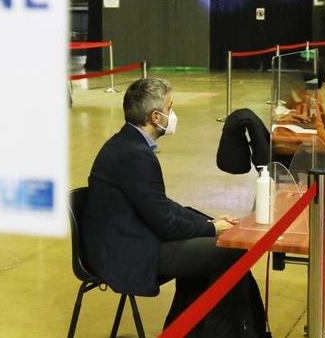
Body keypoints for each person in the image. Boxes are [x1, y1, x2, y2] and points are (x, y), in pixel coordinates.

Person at [84, 78, 267, 337]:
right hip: (127, 252)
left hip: (134, 237)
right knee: (231, 251)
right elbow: (165, 222)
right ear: (155, 116)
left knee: (217, 249)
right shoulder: (134, 155)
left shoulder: (128, 145)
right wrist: (212, 229)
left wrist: (208, 224)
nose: (173, 114)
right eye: (170, 108)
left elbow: (160, 205)